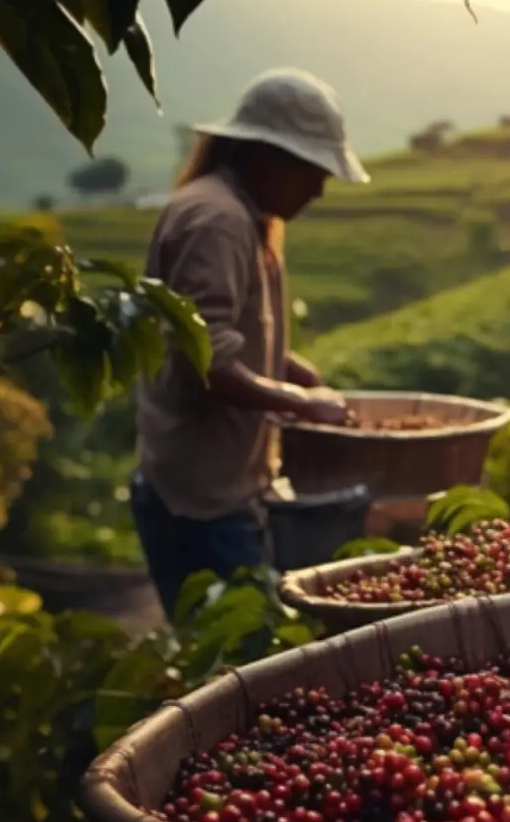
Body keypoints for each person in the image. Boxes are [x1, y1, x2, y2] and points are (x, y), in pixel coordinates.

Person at [130, 68, 364, 610]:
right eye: (312, 171)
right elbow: (205, 360)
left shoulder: (243, 216)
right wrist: (301, 403)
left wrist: (289, 367)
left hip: (226, 491)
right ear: (269, 157)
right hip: (202, 504)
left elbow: (227, 333)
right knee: (238, 657)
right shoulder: (216, 221)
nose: (318, 189)